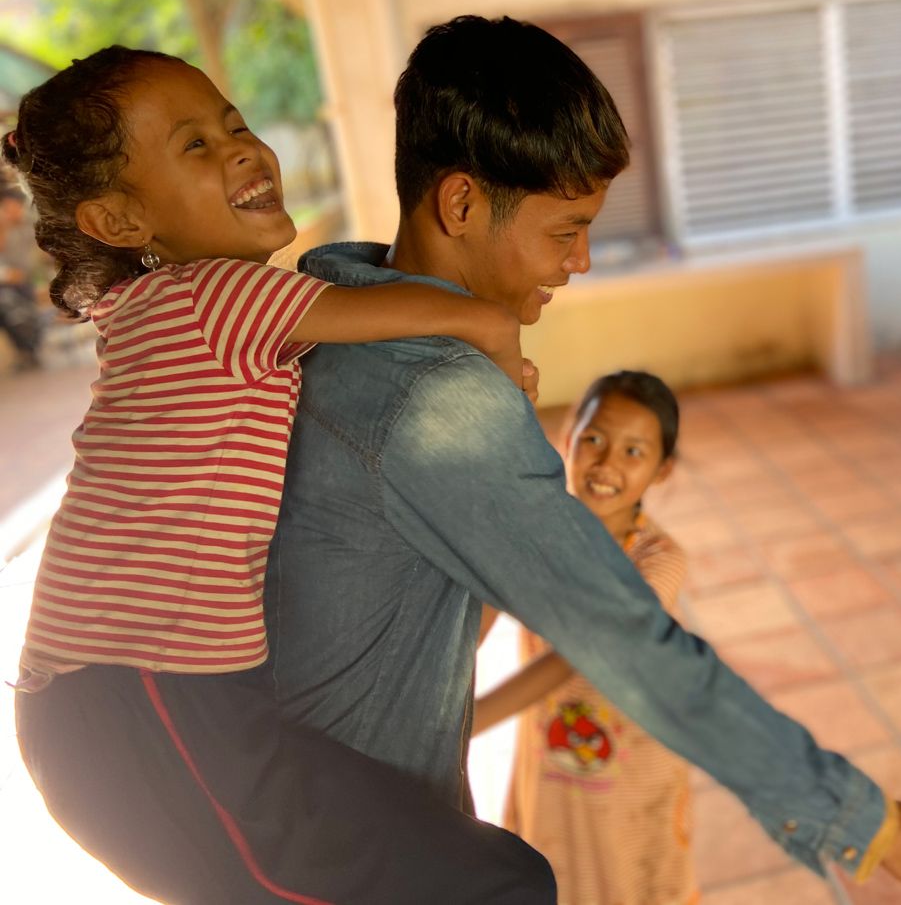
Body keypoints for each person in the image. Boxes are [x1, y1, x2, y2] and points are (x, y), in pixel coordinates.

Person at [263, 14, 901, 900]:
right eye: (565, 229)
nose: (581, 258)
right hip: (356, 851)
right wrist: (857, 819)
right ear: (460, 204)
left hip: (318, 805)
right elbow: (616, 631)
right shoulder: (434, 396)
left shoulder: (330, 328)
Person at [8, 46, 556, 904]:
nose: (242, 149)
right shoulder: (211, 295)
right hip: (139, 699)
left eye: (233, 124)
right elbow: (435, 313)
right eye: (195, 144)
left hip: (127, 706)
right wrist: (498, 353)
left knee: (481, 878)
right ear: (118, 220)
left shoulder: (165, 310)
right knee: (489, 882)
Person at [472, 370, 696, 904]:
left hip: (631, 762)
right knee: (550, 866)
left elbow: (586, 650)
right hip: (551, 750)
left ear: (662, 470)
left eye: (633, 452)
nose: (606, 463)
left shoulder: (658, 561)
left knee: (622, 874)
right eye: (594, 439)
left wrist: (468, 721)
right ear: (568, 437)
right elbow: (480, 610)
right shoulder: (538, 536)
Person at [0, 181, 44, 370]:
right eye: (6, 208)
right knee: (7, 302)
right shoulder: (4, 230)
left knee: (12, 304)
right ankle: (27, 350)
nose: (11, 212)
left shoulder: (29, 228)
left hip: (22, 283)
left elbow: (32, 263)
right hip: (7, 284)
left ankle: (28, 350)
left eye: (14, 207)